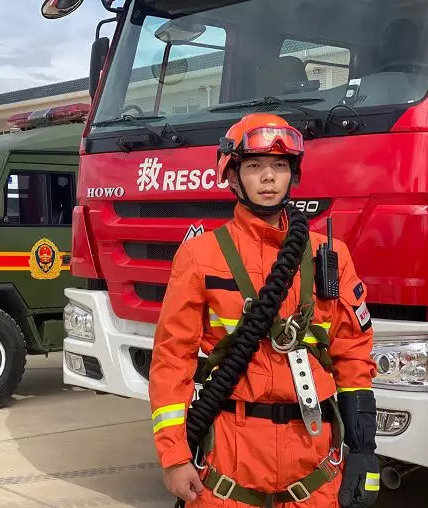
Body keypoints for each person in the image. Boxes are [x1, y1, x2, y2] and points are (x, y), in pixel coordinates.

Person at [149, 113, 379, 507]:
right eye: (255, 166)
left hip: (314, 467)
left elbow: (353, 355)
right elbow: (172, 359)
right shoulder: (200, 257)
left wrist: (363, 450)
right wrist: (174, 457)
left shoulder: (330, 256)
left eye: (279, 166)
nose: (269, 177)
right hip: (229, 466)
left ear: (293, 174)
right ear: (232, 176)